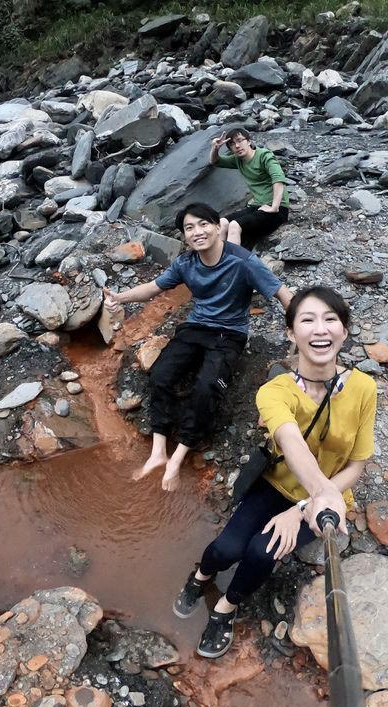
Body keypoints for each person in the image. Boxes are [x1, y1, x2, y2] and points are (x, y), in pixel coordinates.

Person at [173, 285, 378, 659]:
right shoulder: (274, 391)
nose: (321, 329)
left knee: (262, 553)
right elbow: (290, 440)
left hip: (327, 494)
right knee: (225, 548)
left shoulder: (364, 388)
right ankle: (201, 575)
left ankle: (226, 608)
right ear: (290, 333)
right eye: (308, 320)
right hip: (279, 486)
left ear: (344, 332)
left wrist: (305, 506)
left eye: (331, 319)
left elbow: (357, 464)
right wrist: (315, 497)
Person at [103, 202, 293, 492]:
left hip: (229, 334)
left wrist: (303, 331)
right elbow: (154, 287)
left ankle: (177, 459)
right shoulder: (186, 263)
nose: (197, 232)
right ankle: (157, 452)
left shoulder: (242, 261)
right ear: (184, 236)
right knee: (161, 375)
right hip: (195, 327)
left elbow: (282, 294)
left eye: (203, 224)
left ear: (218, 227)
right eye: (189, 228)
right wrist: (119, 297)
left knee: (206, 388)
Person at [209, 127, 290, 250]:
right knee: (223, 223)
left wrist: (274, 207)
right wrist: (215, 148)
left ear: (249, 141)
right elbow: (215, 161)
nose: (237, 146)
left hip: (278, 210)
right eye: (232, 144)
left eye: (240, 140)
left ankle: (233, 265)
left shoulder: (264, 156)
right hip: (258, 206)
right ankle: (217, 259)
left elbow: (278, 179)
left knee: (235, 225)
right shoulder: (238, 160)